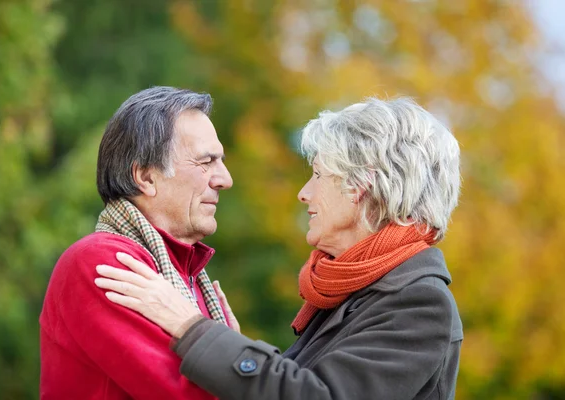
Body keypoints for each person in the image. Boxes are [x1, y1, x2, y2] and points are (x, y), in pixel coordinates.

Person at [95, 97, 464, 399]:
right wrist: (229, 346)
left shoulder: (419, 304)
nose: (305, 193)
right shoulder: (358, 291)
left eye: (319, 175)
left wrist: (192, 327)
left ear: (360, 186)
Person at [39, 86, 235, 399]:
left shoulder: (186, 275)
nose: (225, 179)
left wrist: (233, 356)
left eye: (220, 161)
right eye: (205, 162)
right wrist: (233, 355)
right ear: (145, 177)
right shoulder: (101, 262)